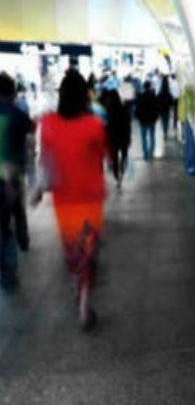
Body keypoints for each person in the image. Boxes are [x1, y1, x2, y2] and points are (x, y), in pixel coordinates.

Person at [33, 70, 106, 330]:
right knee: (88, 252)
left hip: (63, 203)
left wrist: (39, 190)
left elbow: (44, 161)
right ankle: (84, 306)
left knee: (72, 251)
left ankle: (77, 286)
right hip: (90, 201)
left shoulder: (48, 123)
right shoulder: (94, 125)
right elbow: (101, 156)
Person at [0, 72, 34, 291]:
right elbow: (30, 132)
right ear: (12, 93)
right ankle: (9, 276)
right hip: (9, 176)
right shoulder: (17, 115)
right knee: (10, 221)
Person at [102, 89, 131, 188]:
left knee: (114, 158)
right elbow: (128, 124)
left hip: (113, 137)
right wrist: (129, 136)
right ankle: (122, 171)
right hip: (123, 136)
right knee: (124, 156)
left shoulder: (109, 110)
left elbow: (107, 126)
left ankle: (117, 176)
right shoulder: (123, 108)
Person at [134, 80, 159, 160]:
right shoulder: (153, 96)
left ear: (144, 87)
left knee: (143, 137)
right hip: (152, 120)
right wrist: (156, 117)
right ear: (149, 87)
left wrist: (138, 117)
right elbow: (156, 108)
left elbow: (137, 109)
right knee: (152, 136)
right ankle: (151, 153)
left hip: (143, 120)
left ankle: (145, 154)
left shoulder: (140, 96)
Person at [156, 73, 172, 140]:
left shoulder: (160, 93)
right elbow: (171, 101)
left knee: (162, 121)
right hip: (167, 109)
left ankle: (164, 131)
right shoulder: (168, 93)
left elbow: (157, 100)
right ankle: (165, 131)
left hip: (161, 109)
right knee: (166, 121)